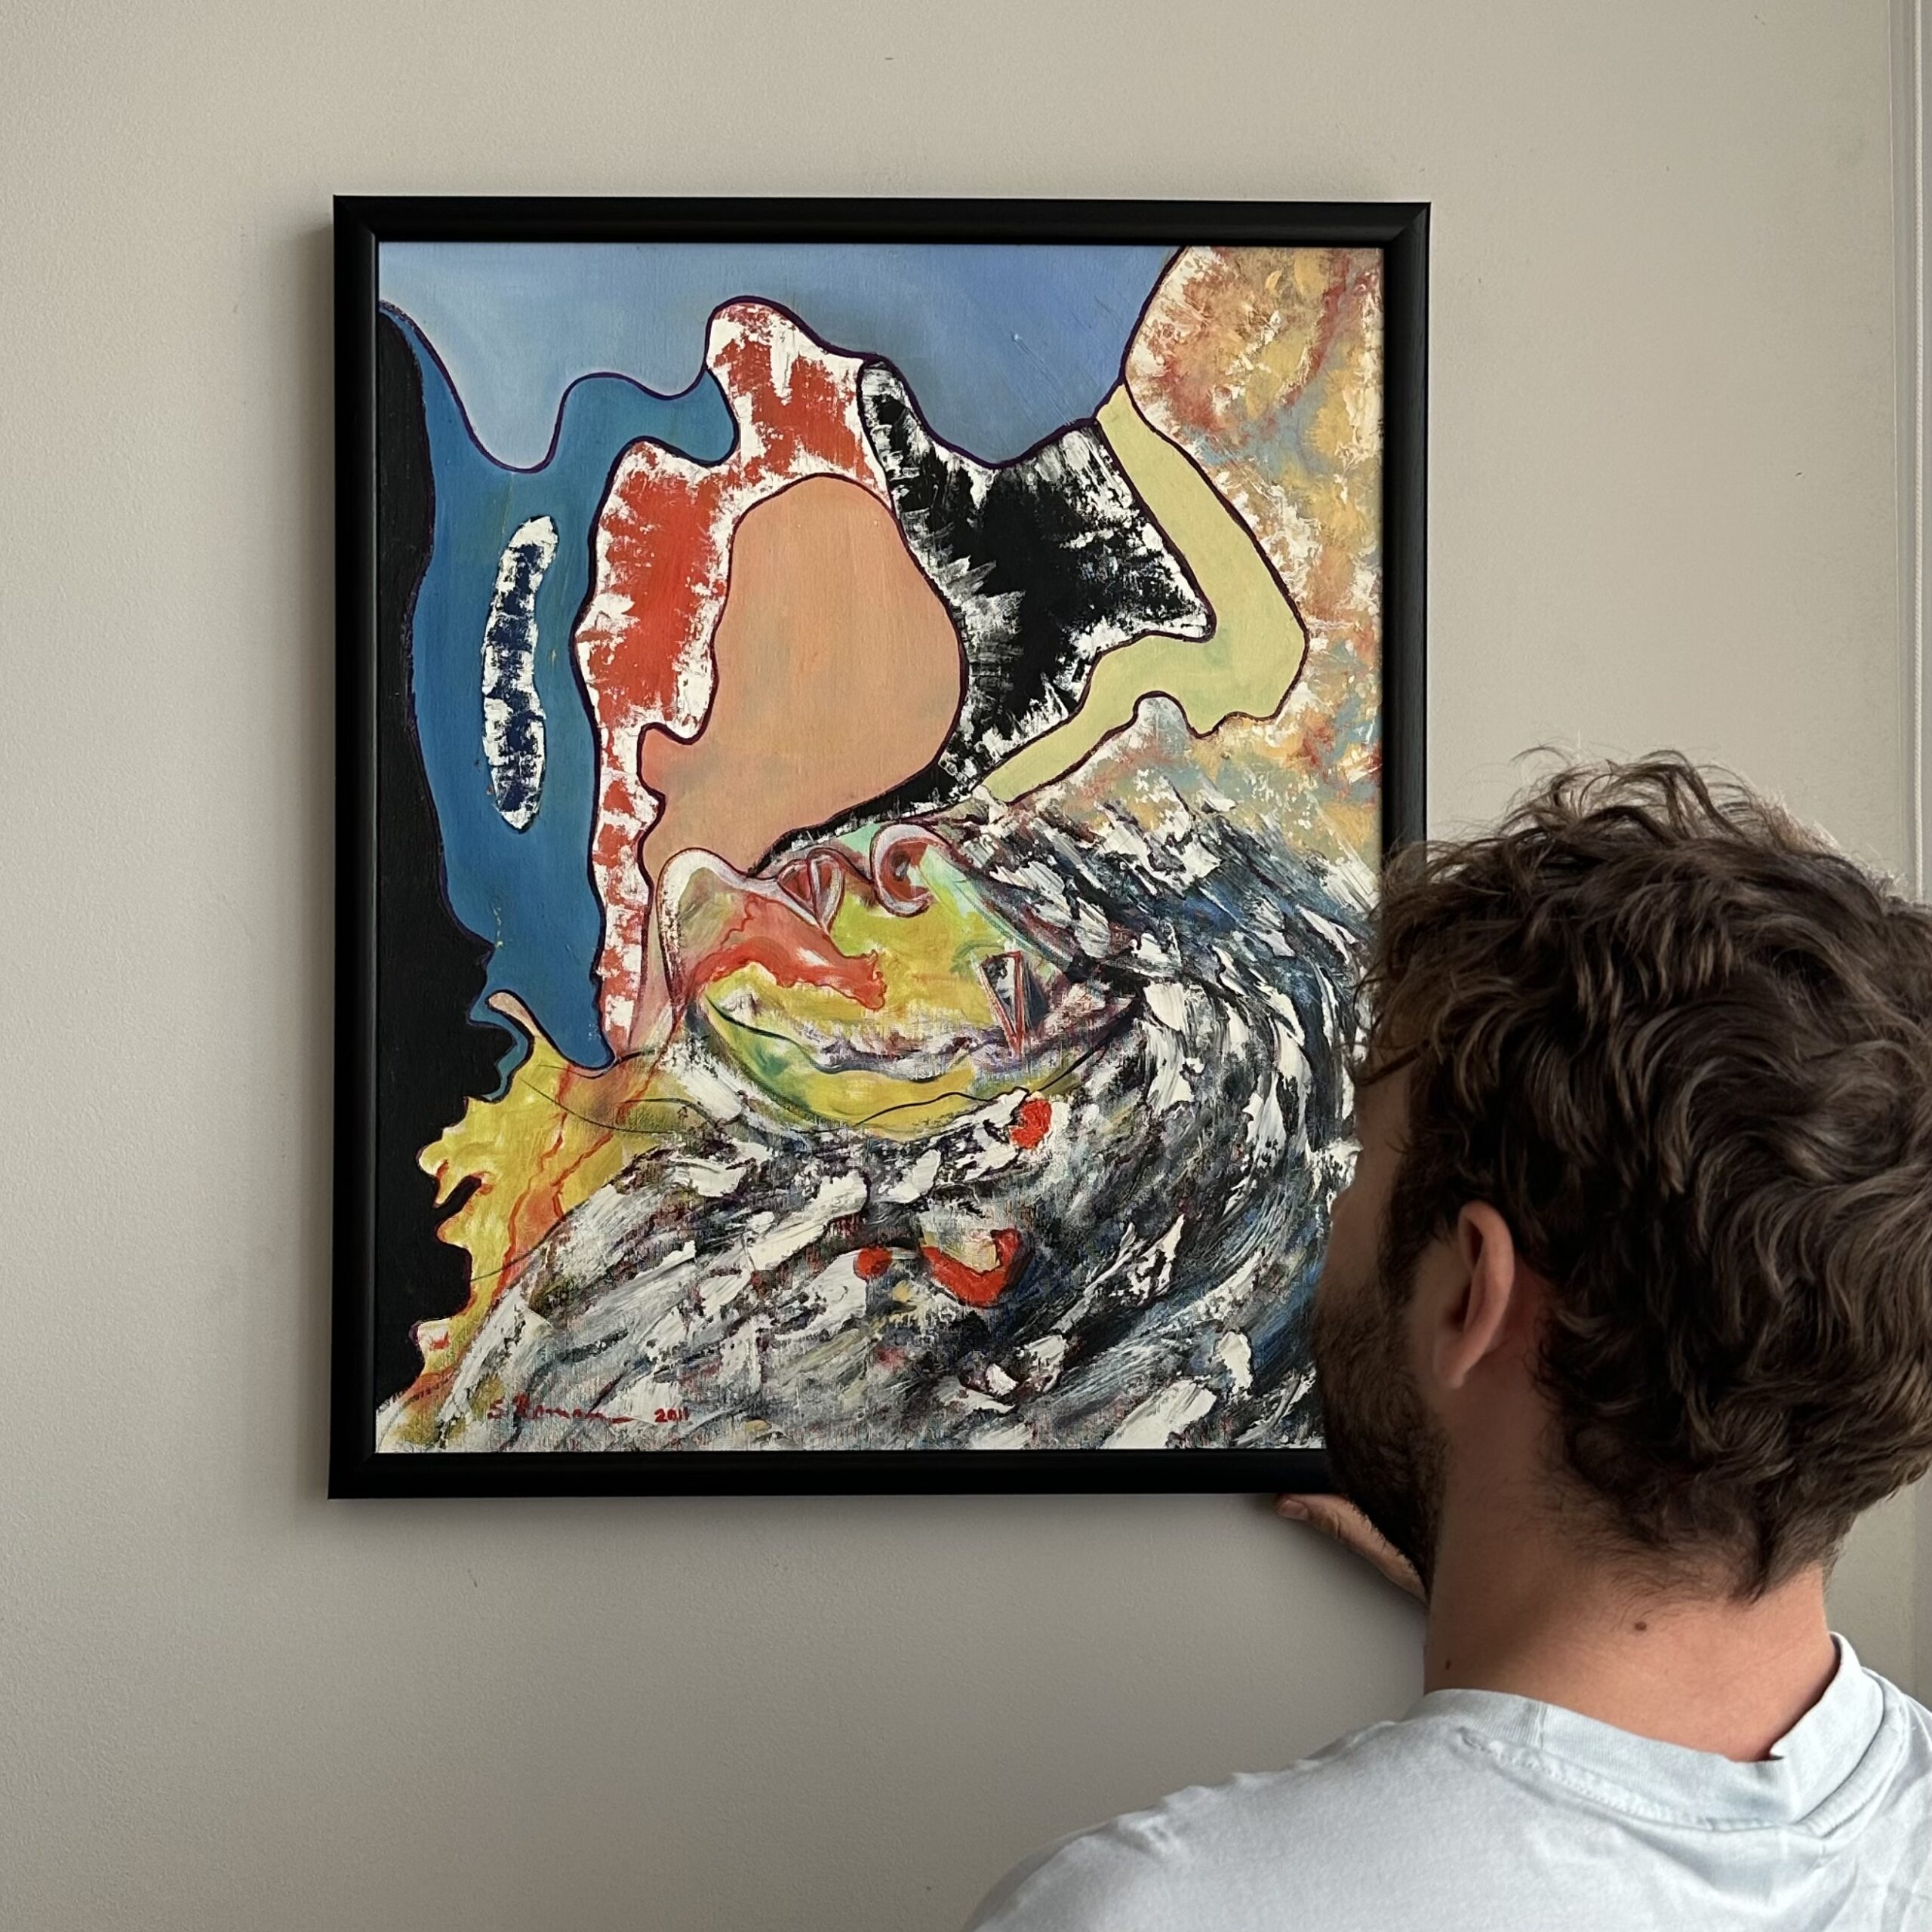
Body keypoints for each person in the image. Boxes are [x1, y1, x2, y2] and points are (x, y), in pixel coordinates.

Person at [964, 755, 1932, 1931]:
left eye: (1357, 1167)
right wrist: (1487, 1550)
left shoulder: (1145, 1913)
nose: (1334, 1222)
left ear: (1473, 1291)